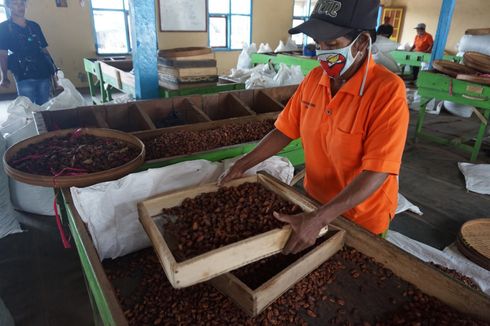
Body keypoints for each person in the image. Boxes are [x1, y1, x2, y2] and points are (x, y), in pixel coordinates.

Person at [221, 0, 409, 255]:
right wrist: (242, 164)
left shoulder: (387, 91)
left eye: (332, 45)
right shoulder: (314, 79)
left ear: (362, 43)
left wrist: (322, 218)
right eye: (318, 44)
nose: (322, 53)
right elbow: (284, 130)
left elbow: (378, 170)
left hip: (361, 216)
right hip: (313, 201)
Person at [0, 0, 57, 105]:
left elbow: (44, 49)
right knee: (28, 108)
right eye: (15, 4)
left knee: (45, 106)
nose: (20, 7)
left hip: (43, 71)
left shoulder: (34, 26)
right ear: (8, 6)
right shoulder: (3, 28)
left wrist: (54, 69)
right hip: (23, 74)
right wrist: (4, 77)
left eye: (22, 3)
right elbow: (3, 54)